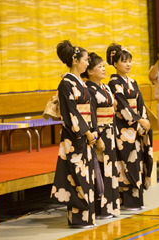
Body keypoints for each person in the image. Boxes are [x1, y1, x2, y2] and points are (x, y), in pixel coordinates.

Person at [50, 40, 97, 228]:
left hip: (86, 135)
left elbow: (89, 108)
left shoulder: (81, 83)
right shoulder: (66, 83)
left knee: (87, 174)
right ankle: (78, 219)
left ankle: (87, 217)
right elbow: (71, 112)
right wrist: (86, 133)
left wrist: (93, 132)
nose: (88, 63)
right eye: (86, 60)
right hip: (75, 136)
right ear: (75, 61)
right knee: (77, 175)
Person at [106, 43, 153, 210]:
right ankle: (126, 201)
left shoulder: (132, 82)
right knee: (126, 163)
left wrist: (143, 122)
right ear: (115, 63)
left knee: (137, 161)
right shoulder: (113, 83)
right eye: (124, 61)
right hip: (123, 127)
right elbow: (122, 105)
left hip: (136, 127)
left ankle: (136, 199)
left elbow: (140, 104)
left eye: (130, 61)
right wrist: (139, 120)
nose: (128, 64)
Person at [81, 52, 120, 218]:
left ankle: (111, 207)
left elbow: (112, 111)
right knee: (100, 169)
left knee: (111, 169)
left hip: (111, 130)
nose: (104, 69)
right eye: (100, 66)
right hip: (100, 132)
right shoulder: (88, 89)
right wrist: (98, 138)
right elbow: (92, 115)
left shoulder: (106, 87)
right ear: (90, 71)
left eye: (104, 66)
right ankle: (100, 208)